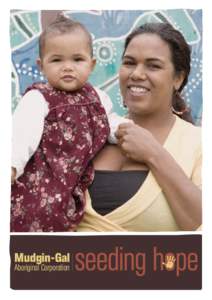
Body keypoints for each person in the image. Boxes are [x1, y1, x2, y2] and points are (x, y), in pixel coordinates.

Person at [76, 22, 202, 232]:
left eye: (153, 66)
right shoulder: (93, 132)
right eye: (129, 63)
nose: (136, 74)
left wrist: (154, 153)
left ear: (178, 78)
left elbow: (202, 225)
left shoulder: (199, 144)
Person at [11, 15, 130, 232]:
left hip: (71, 184)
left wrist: (123, 131)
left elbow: (108, 122)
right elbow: (20, 137)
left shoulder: (98, 97)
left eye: (77, 59)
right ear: (41, 65)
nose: (67, 67)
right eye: (57, 60)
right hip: (38, 181)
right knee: (33, 218)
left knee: (66, 222)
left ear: (91, 64)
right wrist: (11, 167)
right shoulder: (38, 98)